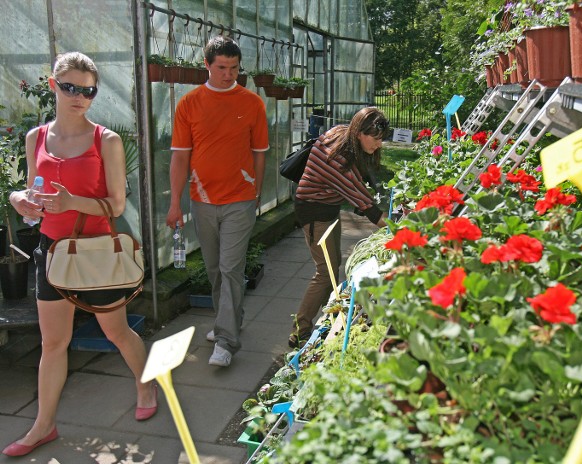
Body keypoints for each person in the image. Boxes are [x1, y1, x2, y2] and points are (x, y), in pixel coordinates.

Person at [3, 52, 156, 457]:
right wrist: (19, 199)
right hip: (51, 252)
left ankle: (145, 382)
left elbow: (117, 205)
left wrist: (73, 202)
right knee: (53, 343)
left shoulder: (105, 139)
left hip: (95, 253)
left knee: (116, 331)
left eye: (88, 90)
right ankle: (43, 425)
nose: (79, 97)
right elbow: (26, 187)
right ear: (53, 85)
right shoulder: (36, 136)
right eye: (70, 87)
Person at [166, 36, 269, 367]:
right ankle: (230, 318)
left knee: (230, 268)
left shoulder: (252, 103)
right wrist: (175, 204)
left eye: (235, 68)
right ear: (207, 66)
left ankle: (225, 340)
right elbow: (180, 158)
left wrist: (255, 194)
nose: (229, 74)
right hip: (202, 200)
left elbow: (260, 155)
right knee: (214, 269)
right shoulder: (189, 104)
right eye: (222, 68)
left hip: (240, 199)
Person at [289, 107, 390, 348]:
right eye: (375, 138)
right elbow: (364, 202)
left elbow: (359, 186)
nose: (378, 145)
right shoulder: (337, 161)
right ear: (359, 133)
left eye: (381, 139)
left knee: (333, 268)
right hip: (314, 213)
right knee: (326, 272)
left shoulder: (342, 134)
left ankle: (321, 319)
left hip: (327, 209)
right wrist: (396, 230)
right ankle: (299, 330)